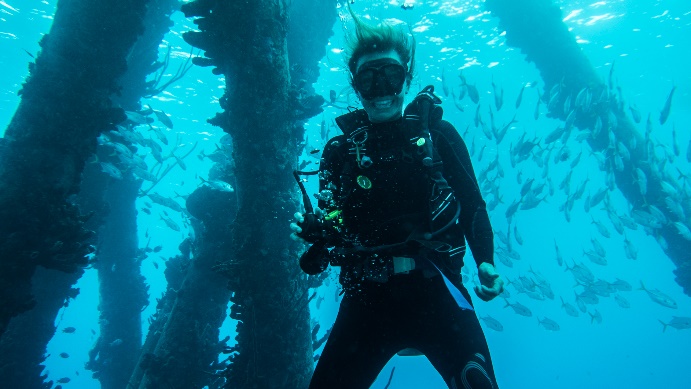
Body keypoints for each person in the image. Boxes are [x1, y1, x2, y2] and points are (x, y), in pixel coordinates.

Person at [290, 8, 504, 389]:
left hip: (438, 290)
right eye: (369, 79)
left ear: (406, 78)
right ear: (356, 87)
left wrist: (485, 261)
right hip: (367, 299)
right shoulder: (339, 152)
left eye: (390, 75)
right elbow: (327, 239)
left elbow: (473, 204)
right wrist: (315, 238)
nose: (381, 90)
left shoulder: (440, 137)